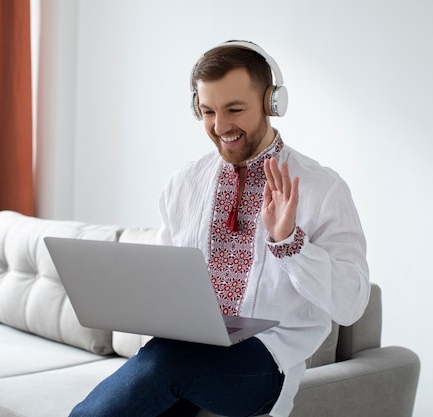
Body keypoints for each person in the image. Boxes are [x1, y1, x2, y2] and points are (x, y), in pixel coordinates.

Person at [70, 40, 370, 417]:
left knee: (167, 363)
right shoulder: (185, 182)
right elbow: (164, 284)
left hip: (265, 361)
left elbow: (352, 304)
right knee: (166, 362)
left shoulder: (321, 188)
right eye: (208, 111)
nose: (220, 126)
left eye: (235, 109)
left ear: (272, 103)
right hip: (181, 352)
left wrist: (289, 243)